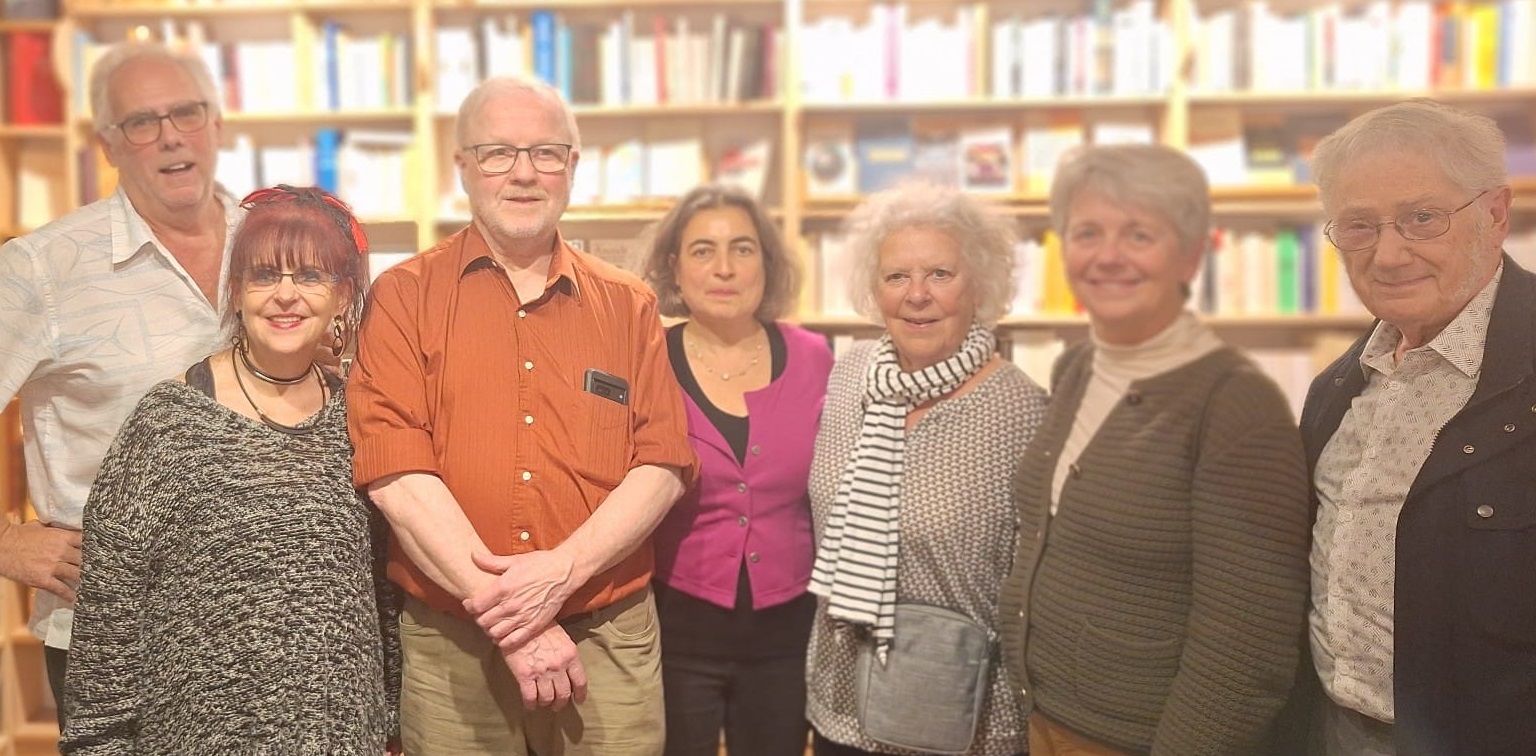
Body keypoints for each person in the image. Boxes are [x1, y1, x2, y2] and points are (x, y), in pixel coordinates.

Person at [347, 75, 698, 756]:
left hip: (608, 638)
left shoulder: (629, 304)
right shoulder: (401, 297)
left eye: (545, 153)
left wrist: (562, 572)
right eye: (499, 152)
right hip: (456, 640)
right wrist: (519, 619)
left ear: (572, 166)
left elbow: (663, 461)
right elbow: (395, 470)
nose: (524, 173)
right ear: (464, 168)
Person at [995, 144, 1313, 756]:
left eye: (1139, 234)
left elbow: (1247, 648)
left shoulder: (1235, 407)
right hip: (1041, 717)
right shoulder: (1078, 367)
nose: (1108, 256)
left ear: (1191, 253)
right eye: (1087, 233)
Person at [59, 185, 396, 754]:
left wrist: (390, 722)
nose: (286, 296)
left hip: (343, 736)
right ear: (236, 292)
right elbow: (108, 616)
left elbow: (379, 593)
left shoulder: (361, 417)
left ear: (343, 297)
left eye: (310, 276)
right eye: (265, 275)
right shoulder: (168, 425)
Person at [0, 40, 240, 713]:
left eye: (187, 113)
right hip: (112, 636)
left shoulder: (276, 245)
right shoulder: (43, 269)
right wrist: (8, 542)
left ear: (217, 126)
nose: (169, 136)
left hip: (263, 631)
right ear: (108, 144)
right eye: (141, 121)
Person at [1296, 99, 1536, 756]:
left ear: (1494, 213)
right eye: (1359, 226)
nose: (1390, 254)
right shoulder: (1336, 387)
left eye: (1421, 218)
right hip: (1333, 728)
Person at [806, 182, 1047, 756]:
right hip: (838, 703)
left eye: (940, 274)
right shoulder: (847, 378)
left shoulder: (1023, 411)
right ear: (875, 288)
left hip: (960, 718)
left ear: (980, 285)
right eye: (896, 277)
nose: (917, 295)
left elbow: (1039, 591)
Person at [639, 184, 833, 756]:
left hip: (787, 636)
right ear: (674, 267)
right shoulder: (646, 356)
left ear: (767, 264)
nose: (724, 268)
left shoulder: (816, 357)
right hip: (677, 634)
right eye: (702, 250)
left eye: (742, 249)